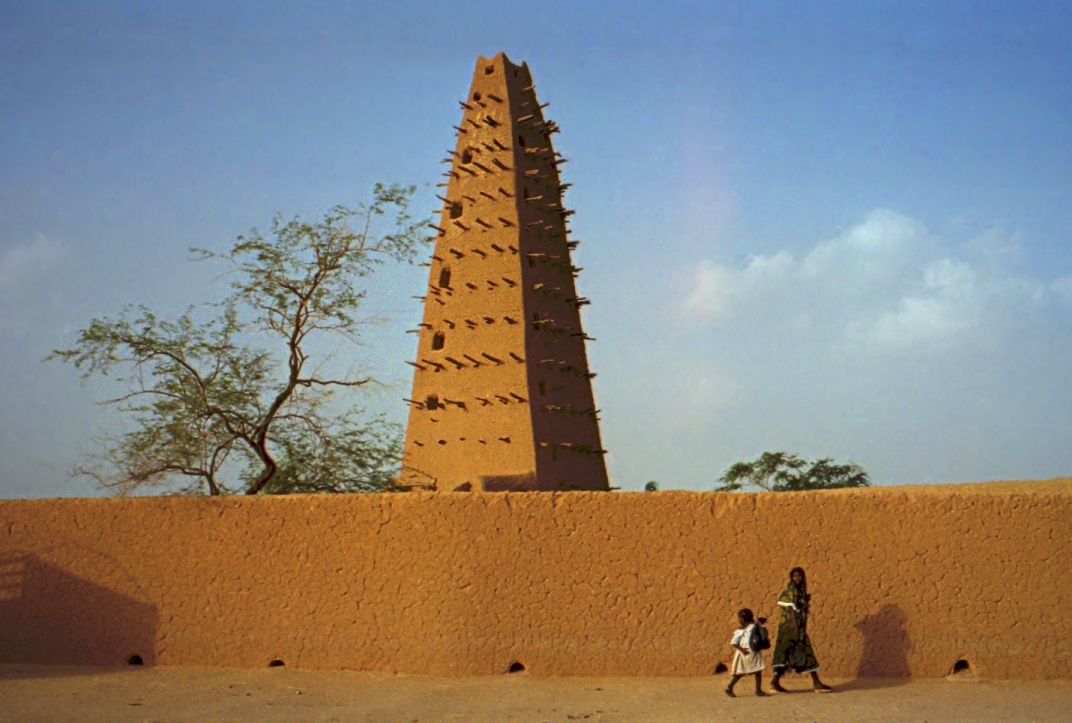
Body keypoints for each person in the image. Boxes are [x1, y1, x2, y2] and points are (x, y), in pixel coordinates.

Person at [770, 566, 832, 693]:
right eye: (794, 576)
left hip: (796, 629)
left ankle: (775, 682)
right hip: (791, 630)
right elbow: (792, 611)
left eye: (799, 576)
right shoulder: (792, 591)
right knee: (803, 653)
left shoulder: (800, 591)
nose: (797, 578)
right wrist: (797, 631)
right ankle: (816, 683)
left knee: (790, 655)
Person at [724, 608, 768, 697]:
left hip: (751, 653)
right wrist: (742, 649)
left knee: (756, 671)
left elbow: (760, 636)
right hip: (746, 653)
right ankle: (730, 687)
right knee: (745, 672)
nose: (739, 620)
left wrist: (760, 625)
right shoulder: (745, 628)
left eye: (740, 618)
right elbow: (734, 642)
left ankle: (757, 690)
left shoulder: (749, 627)